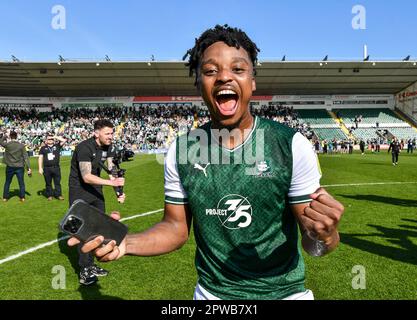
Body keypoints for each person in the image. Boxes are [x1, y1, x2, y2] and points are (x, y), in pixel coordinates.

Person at [68, 25, 344, 300]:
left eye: (238, 69)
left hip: (285, 294)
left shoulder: (291, 145)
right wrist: (127, 242)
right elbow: (175, 229)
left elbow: (314, 243)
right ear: (198, 83)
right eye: (211, 71)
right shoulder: (182, 150)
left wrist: (326, 236)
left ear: (253, 81)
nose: (224, 77)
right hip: (213, 297)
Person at [68, 119, 126, 285]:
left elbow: (112, 171)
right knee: (82, 231)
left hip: (96, 191)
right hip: (80, 192)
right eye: (107, 133)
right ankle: (84, 269)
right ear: (96, 133)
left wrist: (119, 192)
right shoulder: (84, 148)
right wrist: (111, 183)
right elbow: (86, 177)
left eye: (112, 133)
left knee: (99, 230)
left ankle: (91, 265)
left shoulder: (109, 148)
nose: (111, 136)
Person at [0, 130, 32, 202]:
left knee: (7, 182)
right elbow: (26, 157)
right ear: (17, 137)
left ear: (10, 137)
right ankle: (22, 197)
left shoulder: (8, 145)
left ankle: (5, 198)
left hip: (10, 166)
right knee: (21, 183)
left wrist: (5, 135)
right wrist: (28, 168)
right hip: (19, 167)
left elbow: (0, 141)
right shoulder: (21, 145)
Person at [38, 134, 66, 200]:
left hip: (56, 167)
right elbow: (40, 158)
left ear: (54, 140)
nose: (50, 140)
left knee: (57, 183)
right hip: (47, 168)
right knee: (48, 183)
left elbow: (64, 140)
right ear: (46, 140)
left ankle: (58, 195)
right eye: (49, 139)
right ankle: (49, 195)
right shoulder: (43, 148)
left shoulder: (57, 146)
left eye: (51, 139)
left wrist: (55, 137)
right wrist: (40, 167)